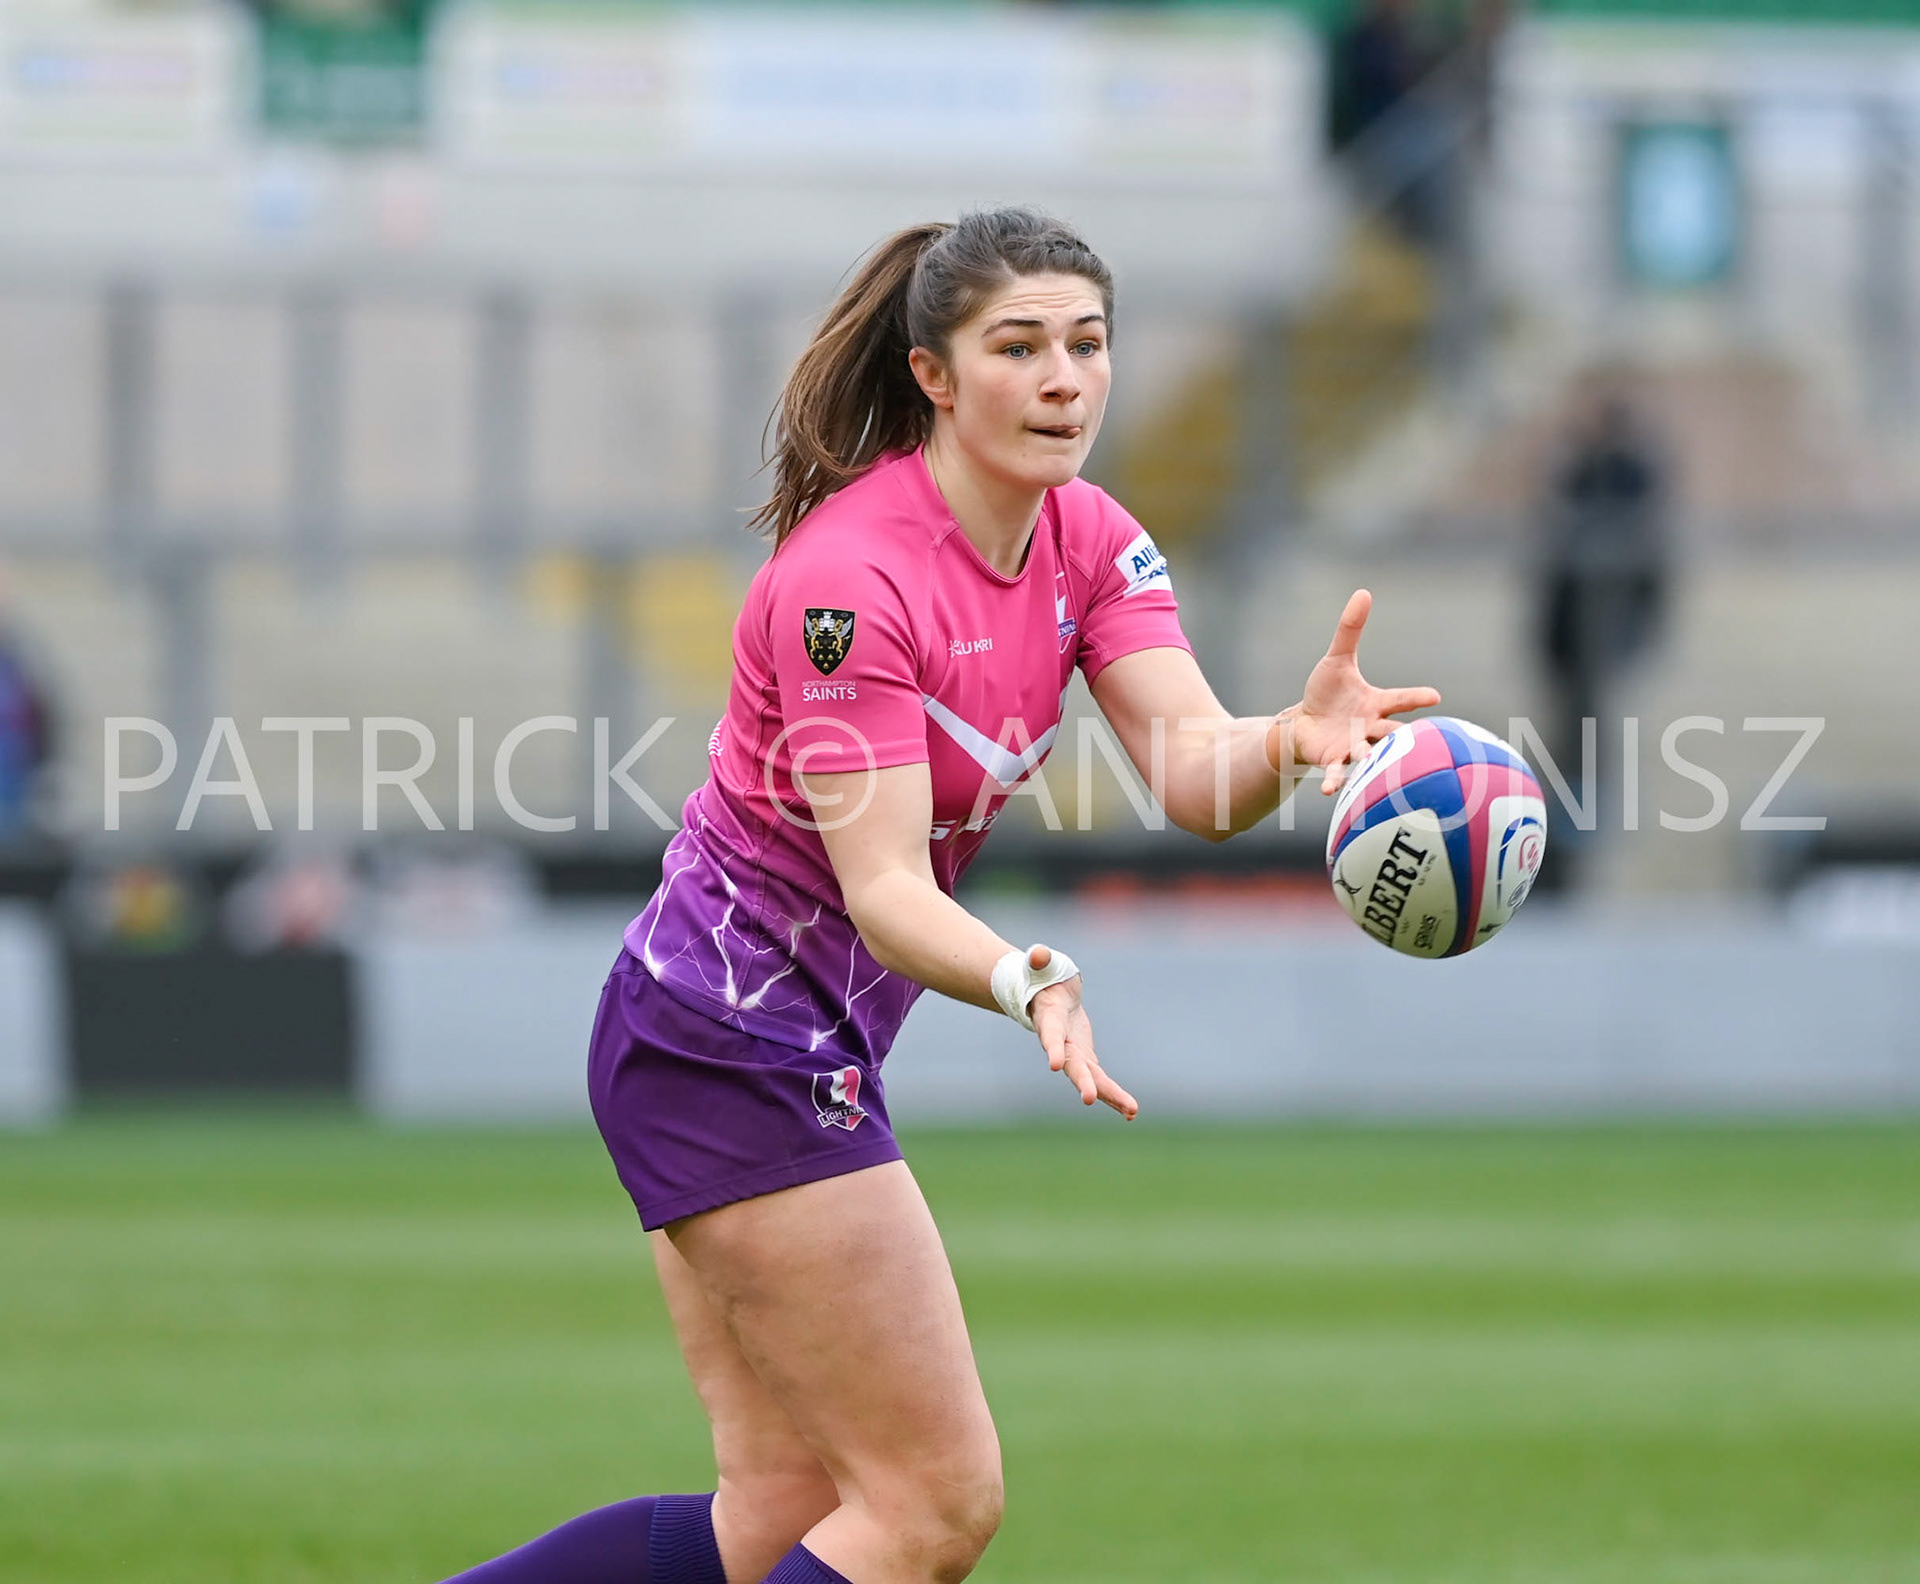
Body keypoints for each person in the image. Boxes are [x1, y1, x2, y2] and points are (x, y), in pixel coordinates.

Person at [437, 207, 1440, 1584]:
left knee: (781, 1513)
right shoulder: (850, 582)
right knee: (931, 1505)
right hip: (726, 1042)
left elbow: (1197, 775)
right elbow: (887, 888)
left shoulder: (1090, 538)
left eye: (1087, 345)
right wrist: (1029, 978)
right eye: (1018, 347)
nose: (1064, 380)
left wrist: (1292, 739)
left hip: (747, 1039)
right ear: (935, 375)